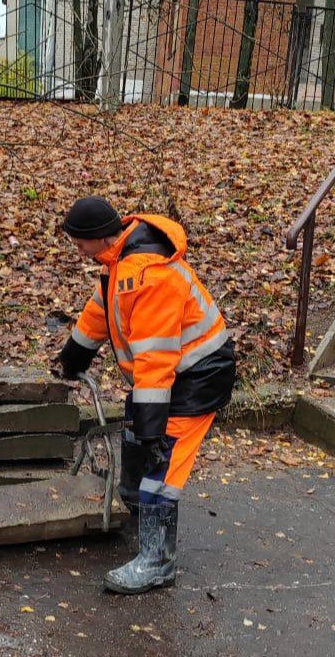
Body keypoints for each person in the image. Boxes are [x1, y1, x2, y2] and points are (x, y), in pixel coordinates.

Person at [57, 197, 236, 594]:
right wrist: (71, 359)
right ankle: (136, 510)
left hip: (199, 377)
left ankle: (158, 561)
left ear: (96, 237)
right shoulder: (118, 262)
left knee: (163, 462)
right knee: (138, 431)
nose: (76, 250)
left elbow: (155, 358)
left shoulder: (151, 276)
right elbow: (98, 315)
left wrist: (153, 428)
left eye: (78, 242)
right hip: (174, 374)